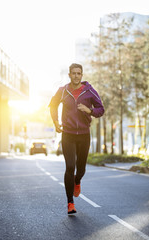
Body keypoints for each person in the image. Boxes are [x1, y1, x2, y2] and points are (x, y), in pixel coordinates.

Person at [49, 63, 104, 214]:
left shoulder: (89, 91)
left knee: (80, 169)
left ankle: (77, 181)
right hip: (68, 134)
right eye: (73, 73)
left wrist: (89, 110)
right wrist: (55, 122)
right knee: (70, 167)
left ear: (82, 75)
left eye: (78, 73)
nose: (76, 76)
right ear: (69, 75)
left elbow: (101, 110)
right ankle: (70, 203)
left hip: (84, 135)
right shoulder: (63, 91)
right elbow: (52, 106)